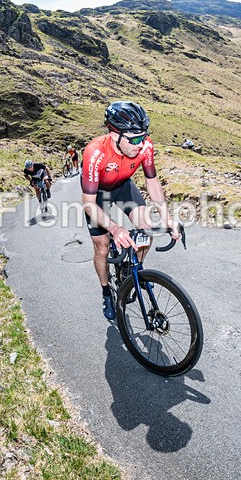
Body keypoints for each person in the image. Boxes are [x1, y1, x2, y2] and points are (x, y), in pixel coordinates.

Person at [81, 101, 179, 319]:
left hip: (124, 187)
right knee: (102, 247)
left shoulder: (145, 147)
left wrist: (168, 218)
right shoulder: (95, 152)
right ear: (114, 134)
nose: (140, 143)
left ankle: (131, 271)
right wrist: (116, 229)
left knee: (147, 230)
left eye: (143, 136)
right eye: (134, 138)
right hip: (99, 195)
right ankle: (107, 291)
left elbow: (152, 183)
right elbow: (88, 203)